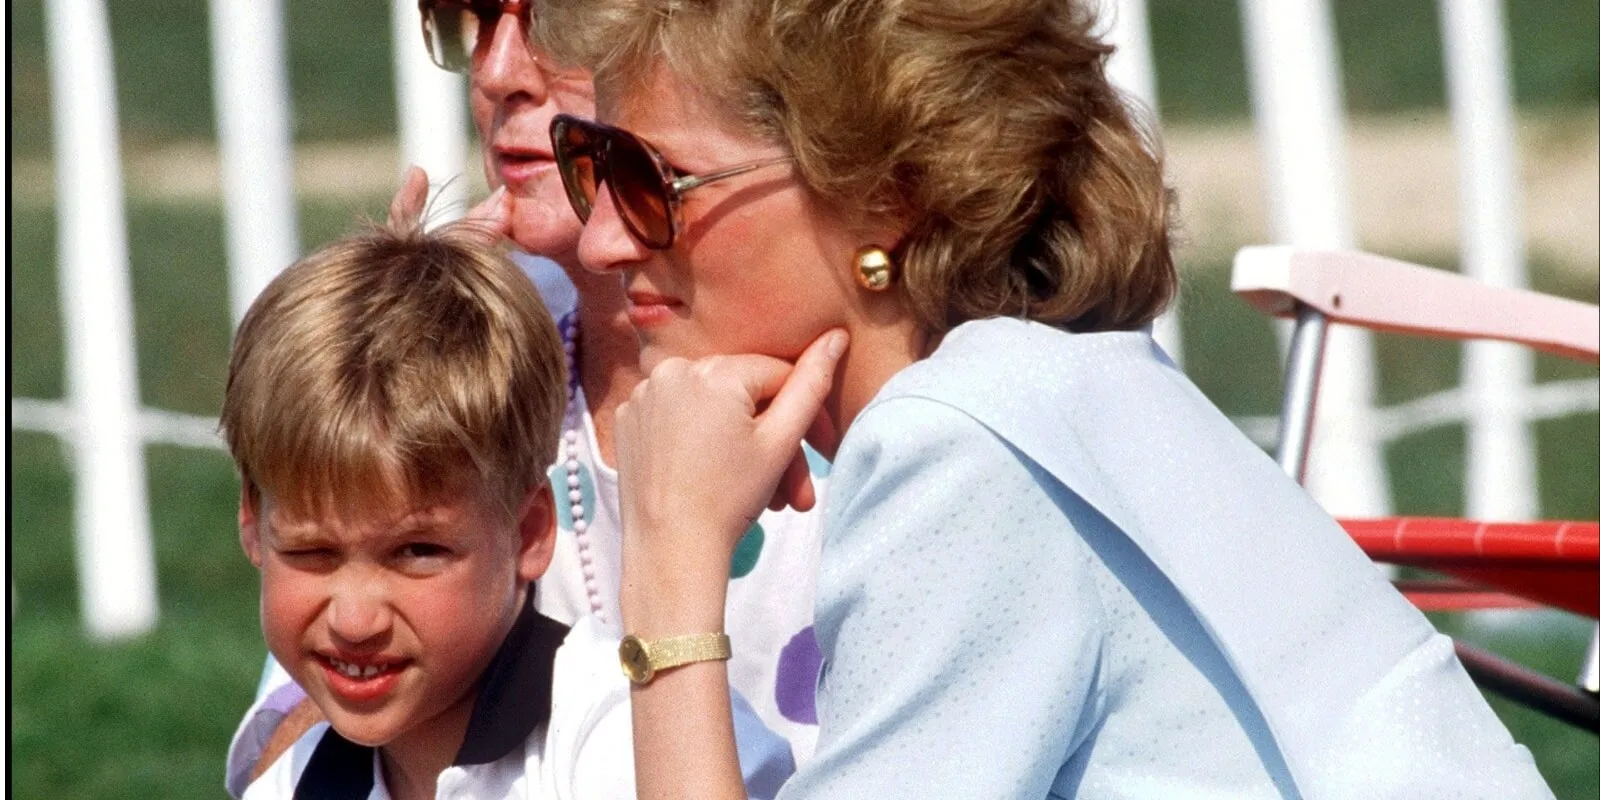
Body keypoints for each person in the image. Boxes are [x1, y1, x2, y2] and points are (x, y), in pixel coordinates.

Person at [536, 0, 1558, 796]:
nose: (601, 239)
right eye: (592, 170)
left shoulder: (957, 447)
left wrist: (669, 569)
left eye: (648, 179)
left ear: (886, 188)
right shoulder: (1049, 392)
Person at [224, 4, 827, 793]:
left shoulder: (858, 401)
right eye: (465, 16)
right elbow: (292, 744)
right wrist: (377, 379)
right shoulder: (474, 349)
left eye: (555, 16)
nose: (497, 69)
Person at [223, 221, 793, 799]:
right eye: (311, 552)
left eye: (418, 552)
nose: (354, 620)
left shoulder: (627, 741)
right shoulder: (292, 783)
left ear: (530, 533)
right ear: (252, 524)